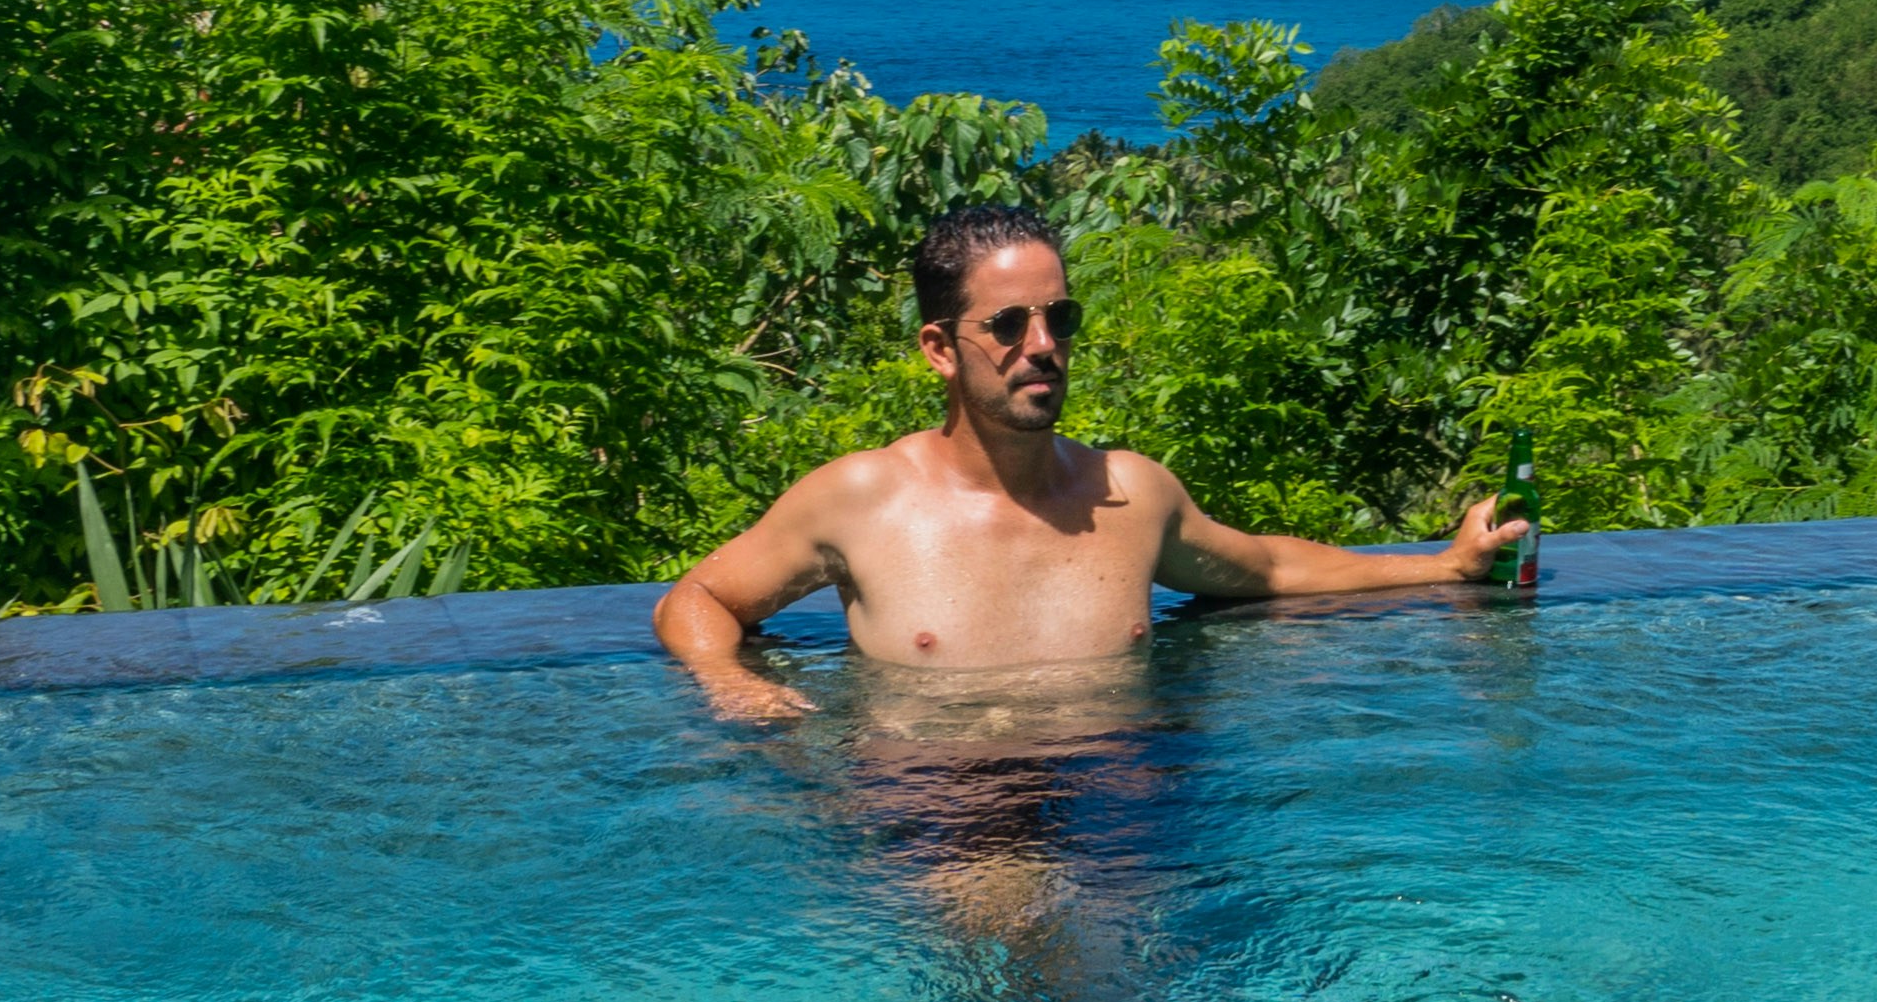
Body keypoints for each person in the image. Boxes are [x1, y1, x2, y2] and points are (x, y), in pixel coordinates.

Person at [654, 203, 1529, 719]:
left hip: (1121, 808)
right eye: (1006, 325)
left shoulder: (1131, 493)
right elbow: (696, 599)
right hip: (943, 811)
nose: (1041, 346)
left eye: (1058, 321)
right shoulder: (861, 499)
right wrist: (730, 683)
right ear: (938, 348)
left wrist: (1446, 565)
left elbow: (1263, 567)